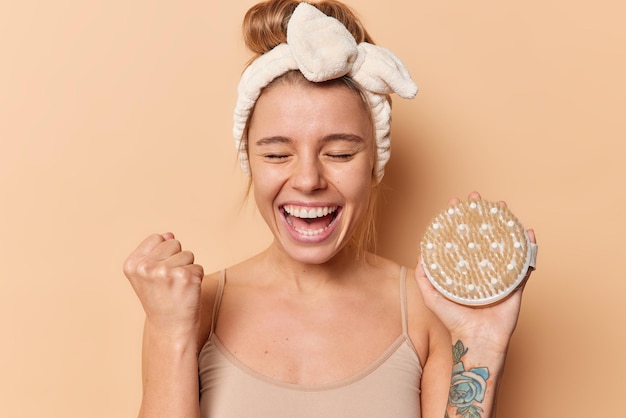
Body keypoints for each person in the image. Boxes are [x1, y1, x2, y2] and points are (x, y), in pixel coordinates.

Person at [123, 1, 537, 417]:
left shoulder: (428, 309)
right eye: (277, 155)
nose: (308, 180)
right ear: (249, 160)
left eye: (339, 153)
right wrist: (169, 333)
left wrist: (482, 345)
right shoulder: (189, 310)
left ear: (374, 161)